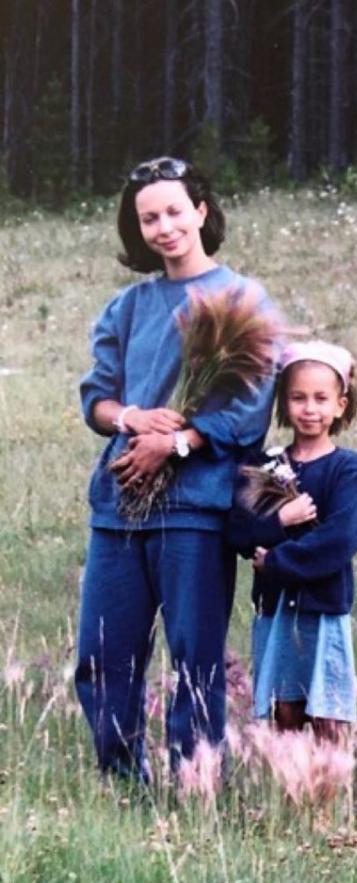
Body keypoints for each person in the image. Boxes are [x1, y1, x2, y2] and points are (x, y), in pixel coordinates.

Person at [75, 157, 278, 779]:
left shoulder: (242, 298)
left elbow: (249, 412)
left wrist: (179, 443)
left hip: (195, 511)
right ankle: (121, 785)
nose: (162, 227)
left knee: (195, 655)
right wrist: (131, 420)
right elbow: (97, 399)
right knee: (103, 657)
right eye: (147, 219)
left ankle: (195, 787)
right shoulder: (128, 307)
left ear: (201, 211)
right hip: (119, 510)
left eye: (172, 212)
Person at [225, 340, 357, 741]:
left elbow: (340, 539)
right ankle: (290, 794)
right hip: (275, 611)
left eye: (321, 398)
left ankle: (330, 799)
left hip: (324, 608)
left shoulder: (345, 468)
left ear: (340, 404)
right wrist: (280, 521)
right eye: (298, 398)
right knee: (284, 710)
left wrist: (277, 562)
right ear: (283, 403)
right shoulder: (265, 466)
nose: (310, 409)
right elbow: (238, 532)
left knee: (328, 715)